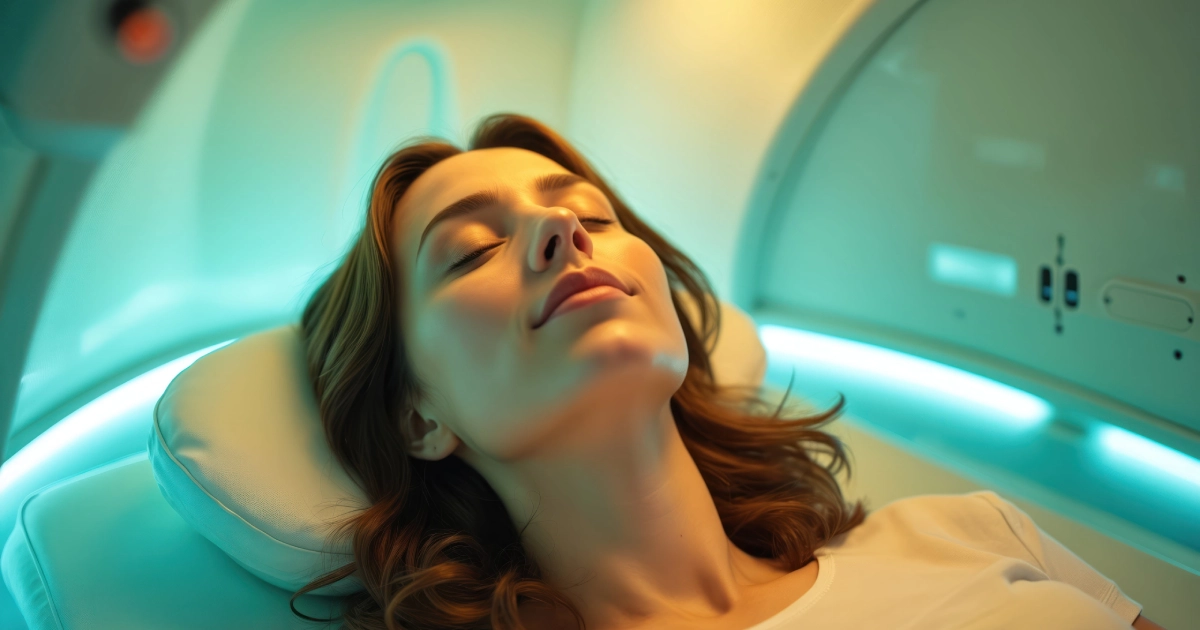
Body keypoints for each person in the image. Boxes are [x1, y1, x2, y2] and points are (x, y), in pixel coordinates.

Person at [293, 114, 1161, 630]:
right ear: (418, 418)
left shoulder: (968, 533)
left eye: (587, 212)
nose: (565, 235)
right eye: (473, 248)